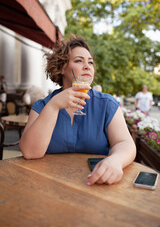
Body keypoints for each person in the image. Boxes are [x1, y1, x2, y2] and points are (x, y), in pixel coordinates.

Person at [19, 35, 136, 186]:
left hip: (96, 184)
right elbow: (29, 152)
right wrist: (53, 106)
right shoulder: (43, 105)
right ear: (62, 68)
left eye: (90, 62)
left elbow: (125, 143)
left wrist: (116, 161)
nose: (87, 66)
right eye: (79, 61)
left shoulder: (107, 104)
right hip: (47, 184)